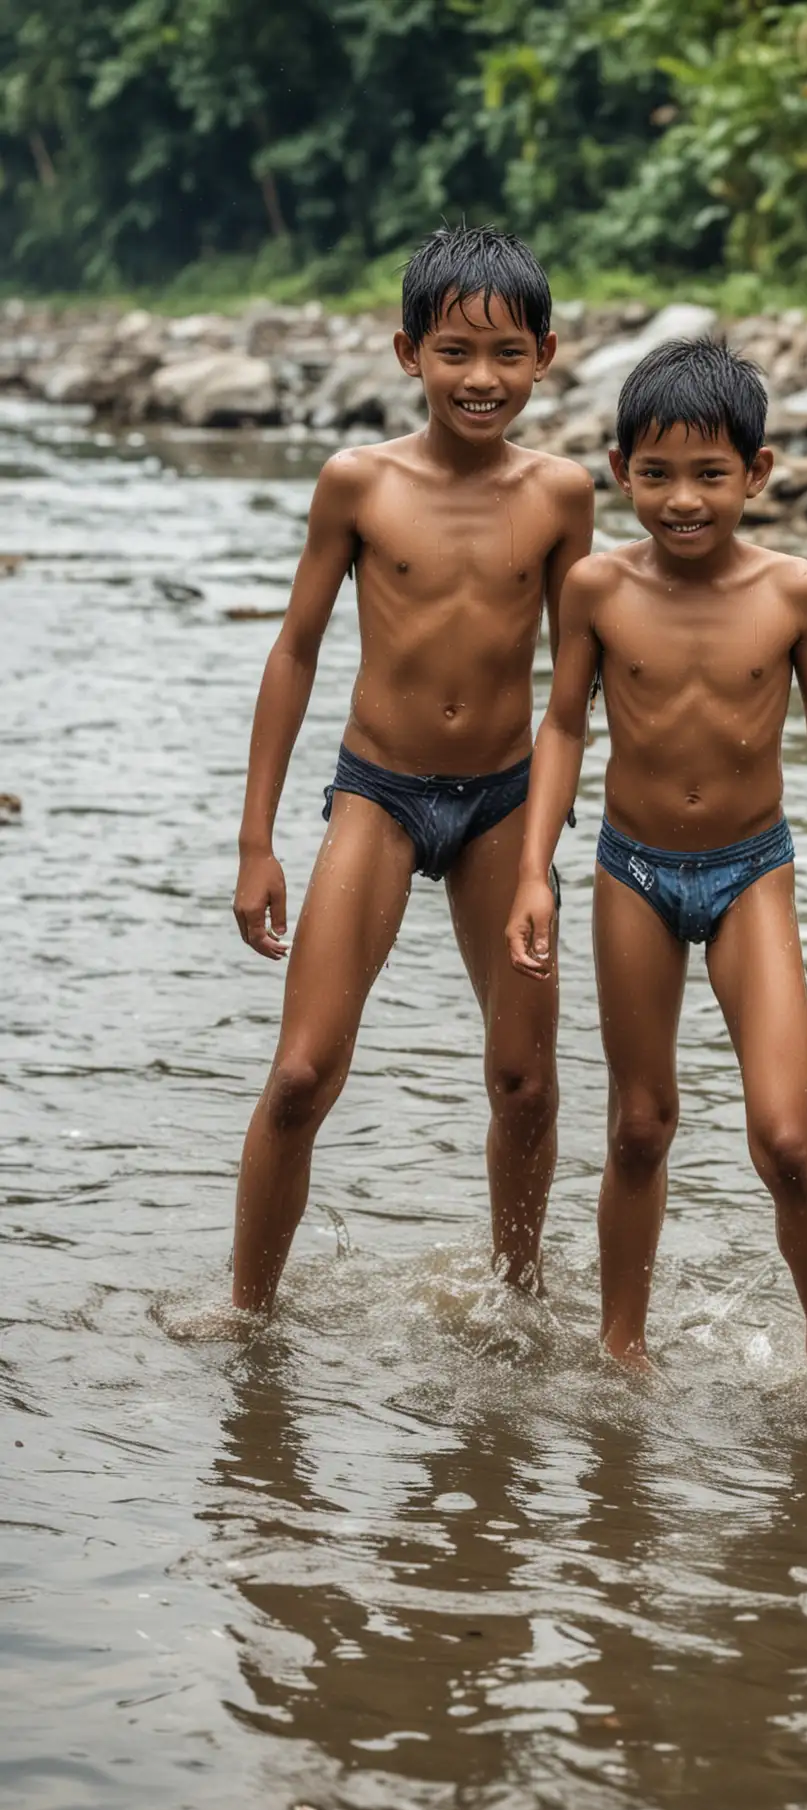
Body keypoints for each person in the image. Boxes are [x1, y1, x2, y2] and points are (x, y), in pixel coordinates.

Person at [505, 338, 807, 1421]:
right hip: (630, 871)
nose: (683, 502)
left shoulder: (794, 593)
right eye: (657, 475)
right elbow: (560, 727)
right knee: (641, 1125)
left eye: (711, 475)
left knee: (786, 1137)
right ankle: (621, 1350)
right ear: (620, 467)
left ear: (759, 472)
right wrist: (533, 867)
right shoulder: (595, 587)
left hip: (750, 875)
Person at [229, 225, 594, 1314]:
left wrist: (554, 847)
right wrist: (257, 842)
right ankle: (248, 1311)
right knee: (301, 1074)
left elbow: (579, 684)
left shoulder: (564, 494)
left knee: (524, 1086)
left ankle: (517, 1305)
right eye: (453, 353)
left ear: (545, 356)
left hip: (503, 807)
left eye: (505, 356)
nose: (480, 380)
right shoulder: (358, 483)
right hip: (379, 794)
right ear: (407, 354)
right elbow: (294, 650)